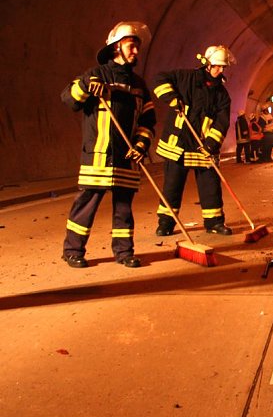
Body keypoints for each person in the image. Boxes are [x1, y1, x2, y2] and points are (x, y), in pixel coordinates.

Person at [59, 21, 156, 268]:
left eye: (137, 47)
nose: (136, 51)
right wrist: (85, 87)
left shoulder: (139, 85)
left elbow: (147, 121)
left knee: (124, 209)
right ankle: (72, 250)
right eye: (131, 46)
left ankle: (124, 253)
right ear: (116, 47)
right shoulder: (96, 75)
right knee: (86, 206)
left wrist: (141, 145)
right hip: (98, 156)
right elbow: (69, 99)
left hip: (126, 157)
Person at [153, 45, 235, 236]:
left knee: (211, 187)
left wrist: (211, 145)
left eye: (223, 67)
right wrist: (171, 97)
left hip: (203, 147)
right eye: (217, 66)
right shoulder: (185, 77)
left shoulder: (222, 95)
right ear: (207, 64)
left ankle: (214, 223)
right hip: (177, 145)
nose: (220, 70)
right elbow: (159, 78)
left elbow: (222, 123)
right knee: (172, 186)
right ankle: (166, 223)